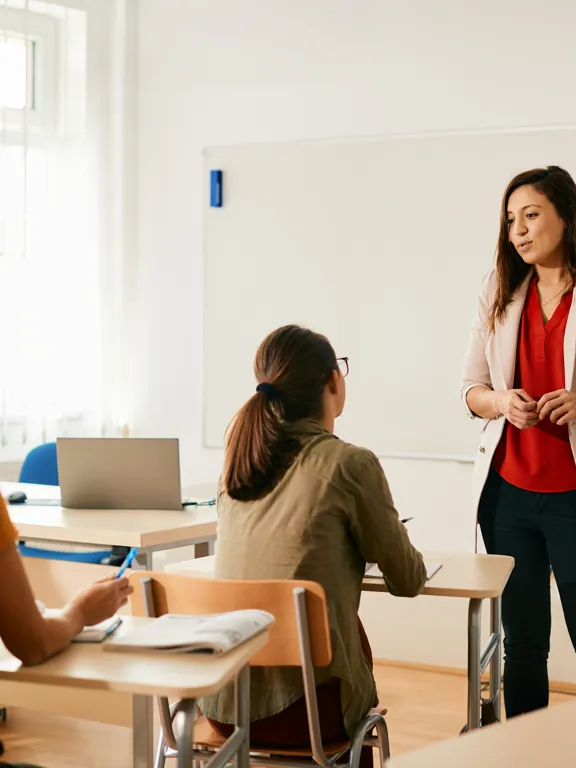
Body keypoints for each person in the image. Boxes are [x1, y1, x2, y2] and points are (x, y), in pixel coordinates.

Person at [200, 324, 426, 767]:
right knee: (342, 632)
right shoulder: (350, 463)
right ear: (332, 382)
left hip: (224, 703)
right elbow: (409, 579)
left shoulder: (236, 465)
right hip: (310, 714)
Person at [461, 165, 576, 719]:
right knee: (524, 646)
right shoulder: (500, 288)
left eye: (531, 215)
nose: (519, 231)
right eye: (511, 220)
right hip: (508, 497)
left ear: (566, 216)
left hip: (572, 497)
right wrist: (503, 403)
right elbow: (471, 391)